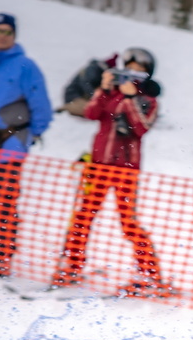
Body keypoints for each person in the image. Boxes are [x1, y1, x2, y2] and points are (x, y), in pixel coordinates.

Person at [52, 48, 166, 296]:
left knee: (128, 222)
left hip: (126, 170)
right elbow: (91, 113)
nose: (131, 74)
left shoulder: (148, 99)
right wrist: (104, 88)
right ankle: (72, 265)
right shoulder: (112, 93)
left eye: (138, 69)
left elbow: (141, 127)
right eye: (129, 67)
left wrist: (130, 99)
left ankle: (150, 274)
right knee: (83, 216)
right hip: (99, 165)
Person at [0, 12, 51, 277]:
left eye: (7, 31)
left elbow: (41, 105)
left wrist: (31, 134)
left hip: (10, 147)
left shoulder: (26, 66)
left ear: (14, 35)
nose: (1, 36)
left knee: (1, 203)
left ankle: (2, 256)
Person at [55, 52, 117, 117]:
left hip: (82, 97)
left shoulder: (97, 70)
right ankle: (67, 107)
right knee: (92, 110)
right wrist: (96, 97)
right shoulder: (93, 70)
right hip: (74, 97)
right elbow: (86, 84)